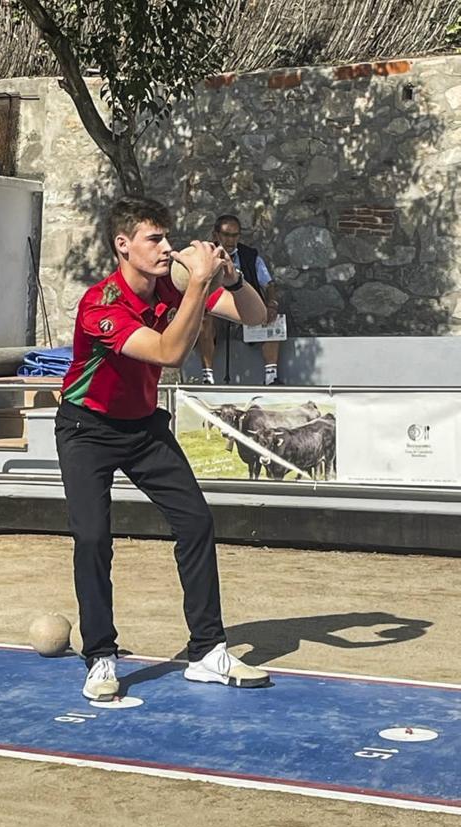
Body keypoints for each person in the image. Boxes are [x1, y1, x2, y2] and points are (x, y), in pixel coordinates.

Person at [56, 195, 270, 702]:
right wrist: (197, 282)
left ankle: (207, 652)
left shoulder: (169, 289)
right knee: (93, 539)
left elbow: (257, 317)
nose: (166, 249)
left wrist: (230, 278)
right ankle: (101, 656)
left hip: (143, 428)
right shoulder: (99, 306)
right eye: (155, 239)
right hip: (86, 429)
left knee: (196, 521)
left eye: (168, 238)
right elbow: (171, 353)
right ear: (123, 245)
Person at [197, 213, 283, 385]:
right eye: (226, 235)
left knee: (273, 318)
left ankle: (271, 377)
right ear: (216, 235)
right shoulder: (206, 256)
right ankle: (208, 377)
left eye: (235, 235)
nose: (230, 240)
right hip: (217, 309)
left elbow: (268, 284)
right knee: (205, 319)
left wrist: (271, 304)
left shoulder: (250, 256)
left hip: (245, 310)